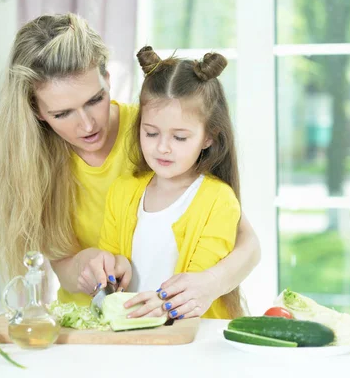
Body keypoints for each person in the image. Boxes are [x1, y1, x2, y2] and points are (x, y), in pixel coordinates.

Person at [0, 13, 260, 315]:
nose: (87, 125)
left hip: (178, 321)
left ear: (107, 80)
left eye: (95, 100)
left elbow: (246, 243)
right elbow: (63, 265)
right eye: (62, 114)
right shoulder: (35, 163)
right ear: (37, 111)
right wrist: (85, 265)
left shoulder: (158, 130)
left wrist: (209, 283)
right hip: (94, 326)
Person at [99, 46, 244, 320]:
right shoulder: (122, 191)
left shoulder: (218, 200)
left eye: (179, 138)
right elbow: (111, 263)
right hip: (133, 339)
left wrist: (160, 305)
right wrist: (110, 270)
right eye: (151, 133)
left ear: (208, 137)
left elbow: (196, 282)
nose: (162, 148)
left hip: (194, 342)